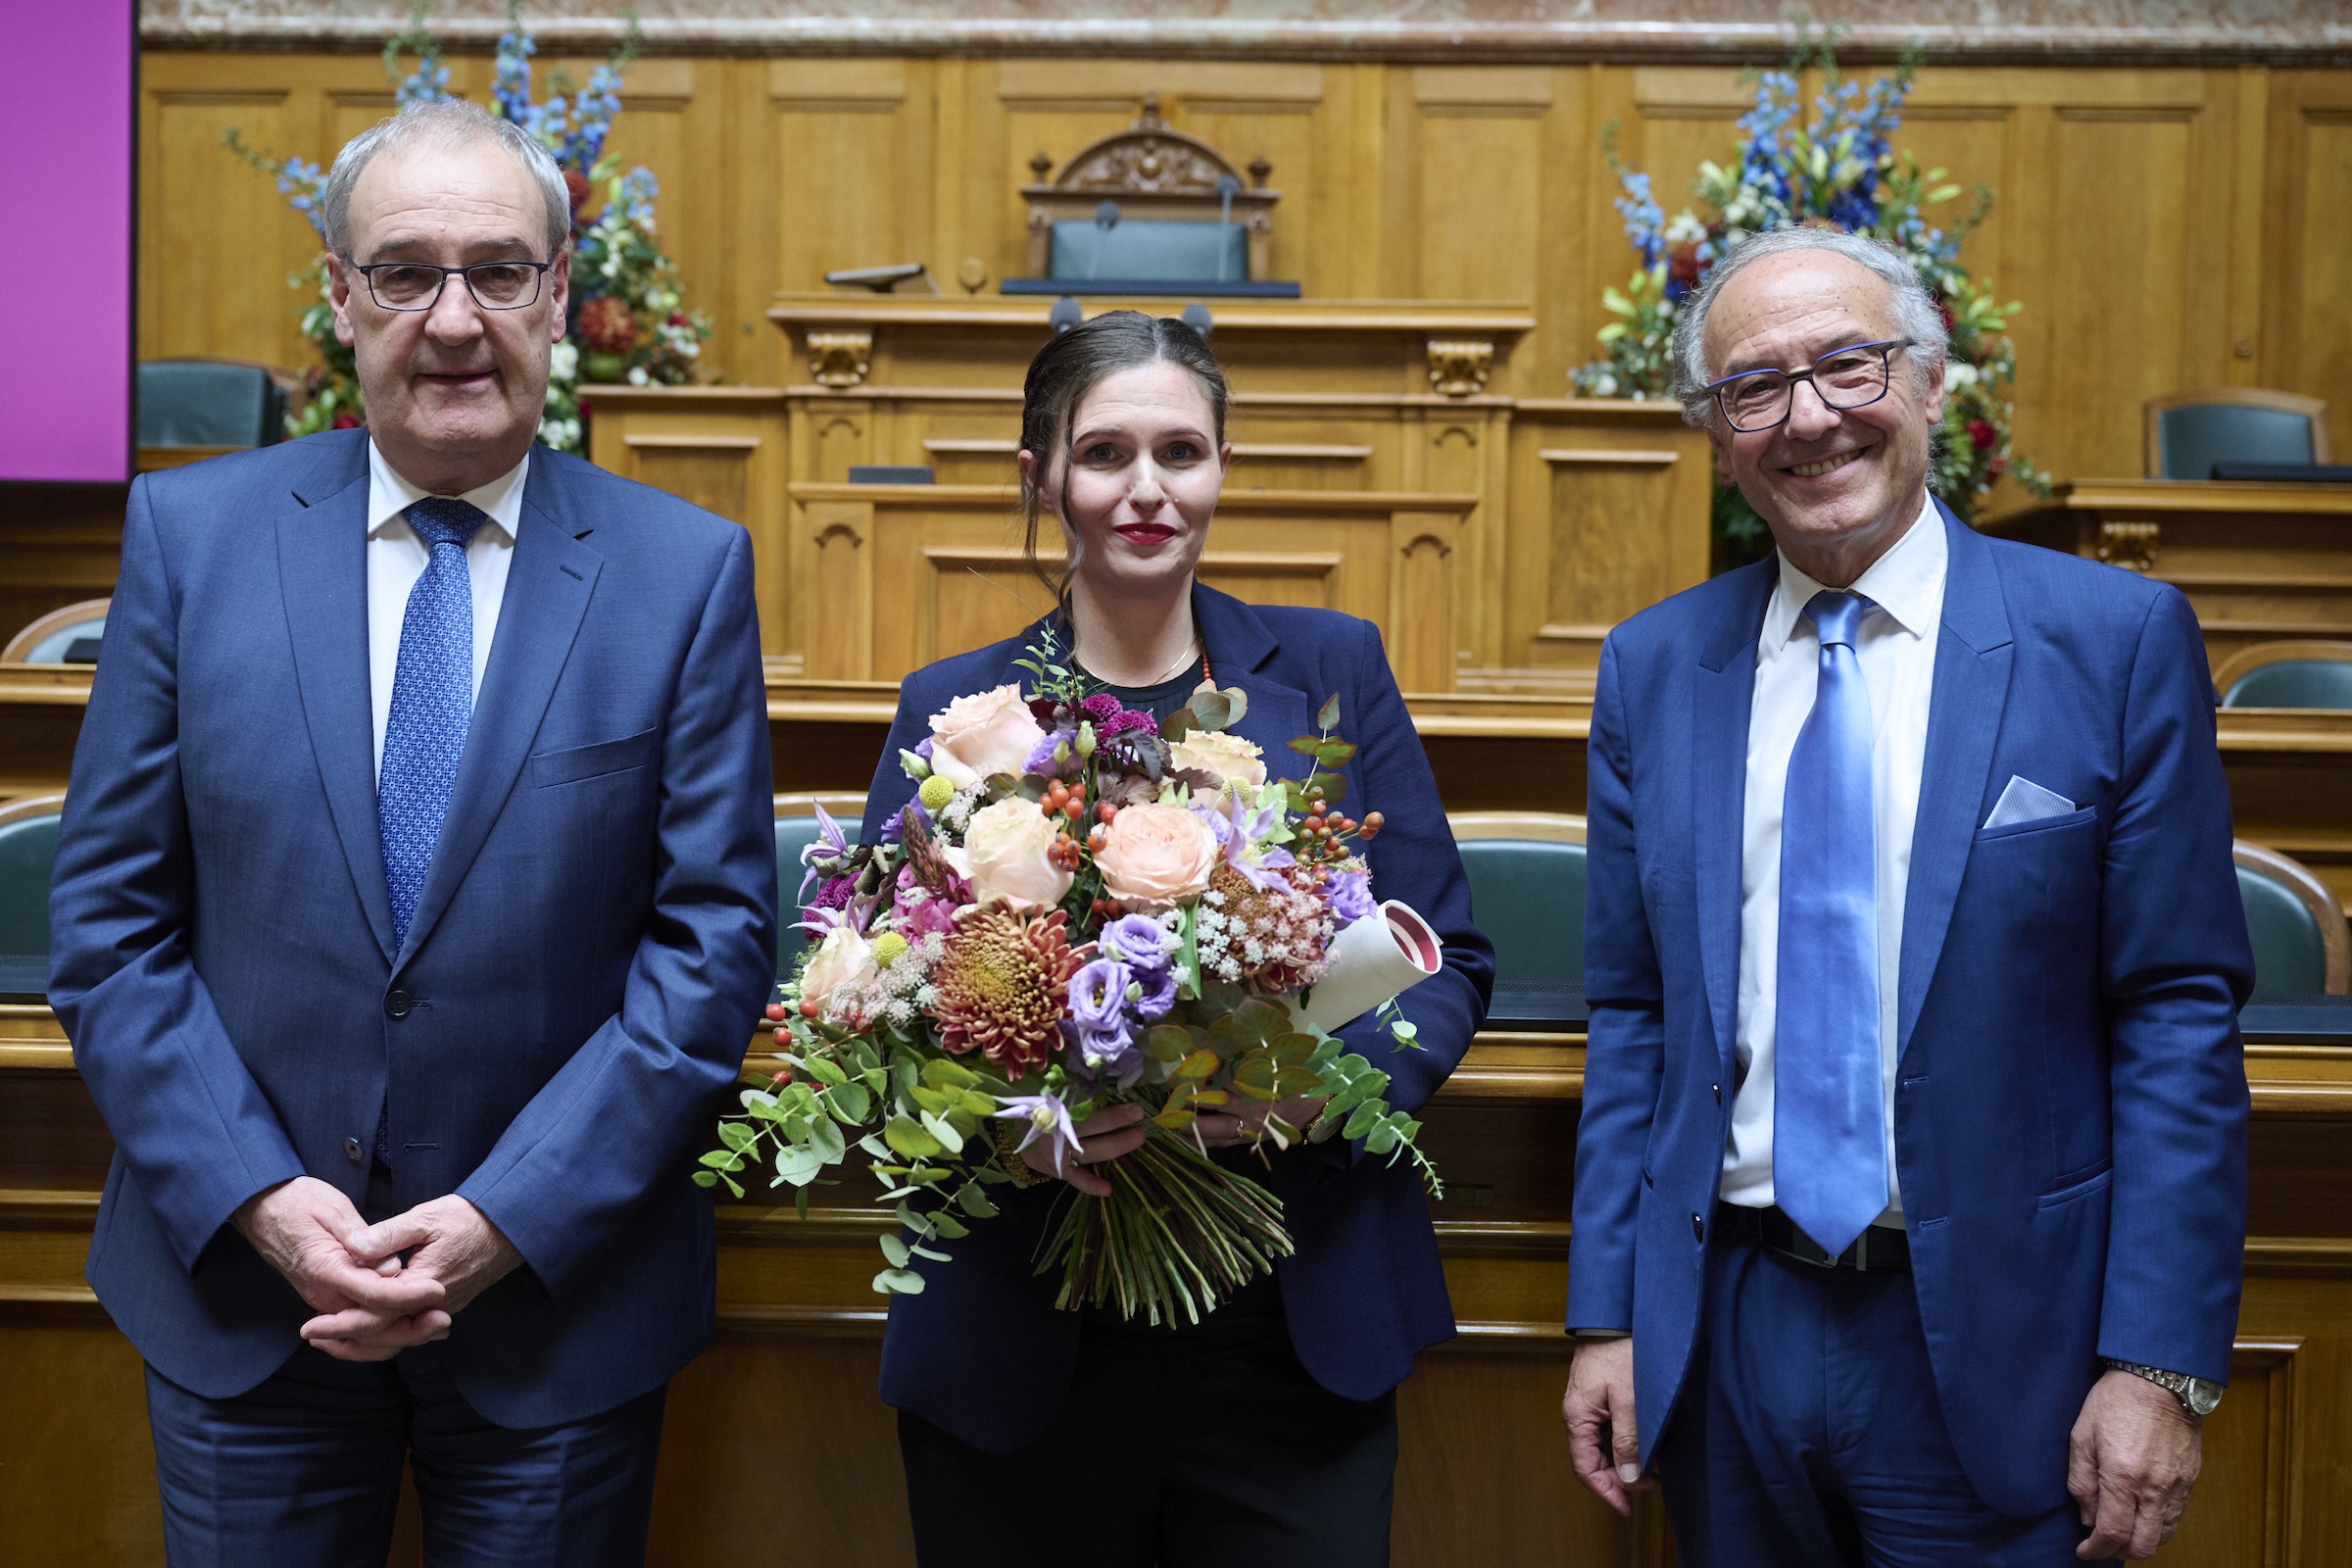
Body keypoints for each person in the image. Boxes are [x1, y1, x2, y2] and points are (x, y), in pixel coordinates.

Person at [48, 99, 776, 1566]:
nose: (454, 321)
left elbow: (712, 947)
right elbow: (111, 927)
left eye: (498, 271)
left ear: (558, 296)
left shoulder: (683, 572)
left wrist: (507, 1216)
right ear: (340, 294)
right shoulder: (188, 542)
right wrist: (263, 1201)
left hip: (555, 1313)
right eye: (404, 272)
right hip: (245, 1302)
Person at [1559, 227, 2253, 1566]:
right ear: (1717, 435)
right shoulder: (1654, 667)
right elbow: (1635, 1013)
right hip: (1728, 1325)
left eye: (1849, 365)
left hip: (2006, 1339)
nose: (1808, 416)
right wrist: (1609, 1313)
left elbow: (2176, 1014)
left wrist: (2157, 1363)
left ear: (1932, 383)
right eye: (1754, 387)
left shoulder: (2112, 641)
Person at [859, 310, 1494, 1566]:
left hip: (1288, 1338)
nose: (1146, 488)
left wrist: (1322, 1091)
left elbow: (1453, 959)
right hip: (1022, 1325)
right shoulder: (959, 713)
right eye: (1104, 454)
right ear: (1041, 474)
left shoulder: (1333, 671)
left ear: (1220, 467)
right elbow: (871, 996)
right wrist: (1006, 1121)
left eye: (1180, 452)